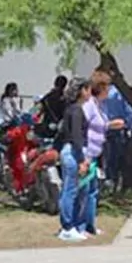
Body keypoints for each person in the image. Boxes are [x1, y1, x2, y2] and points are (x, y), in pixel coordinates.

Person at [79, 71, 127, 238]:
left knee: (92, 191)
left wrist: (109, 125)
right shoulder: (89, 106)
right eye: (107, 87)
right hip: (87, 153)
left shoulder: (99, 106)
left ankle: (90, 225)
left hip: (96, 153)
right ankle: (80, 225)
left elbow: (101, 125)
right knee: (84, 191)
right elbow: (83, 126)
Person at [57, 78, 92, 242]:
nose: (90, 92)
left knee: (74, 189)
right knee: (70, 190)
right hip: (73, 152)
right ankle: (67, 226)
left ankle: (73, 225)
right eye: (88, 89)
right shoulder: (77, 110)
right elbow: (77, 136)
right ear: (82, 91)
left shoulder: (70, 109)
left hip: (69, 150)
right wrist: (82, 159)